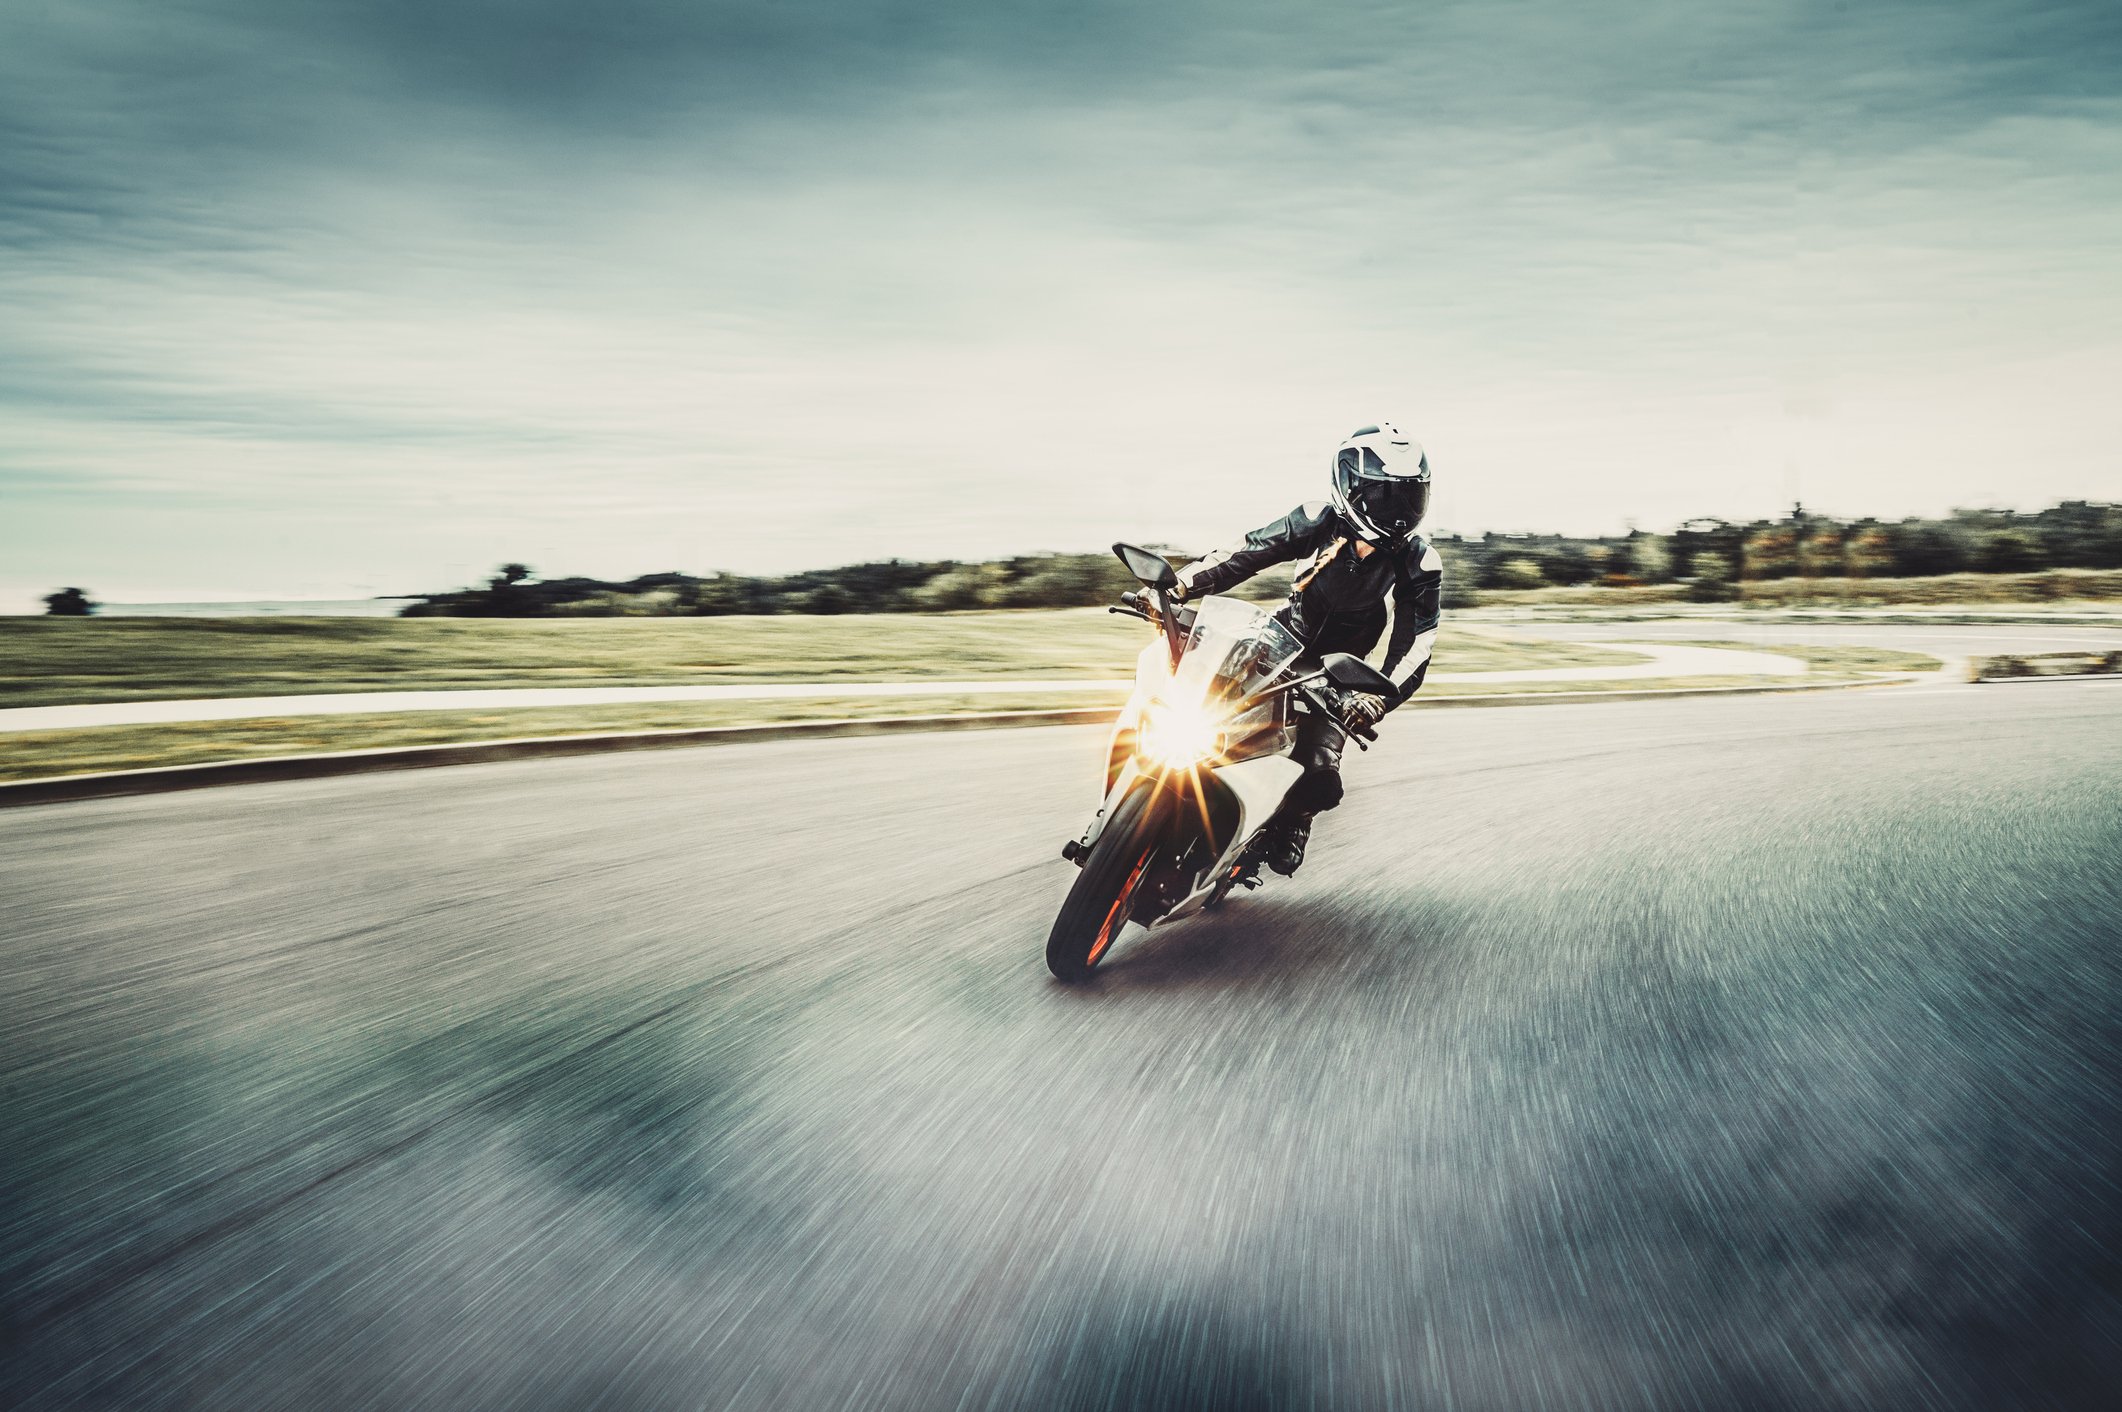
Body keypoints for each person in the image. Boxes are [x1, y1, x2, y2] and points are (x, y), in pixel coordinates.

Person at [1172, 422, 1443, 875]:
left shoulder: (1417, 559)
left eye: (1408, 497)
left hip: (1338, 672)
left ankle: (1294, 819)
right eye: (1386, 496)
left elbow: (1415, 644)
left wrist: (1378, 697)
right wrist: (1182, 585)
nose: (1398, 511)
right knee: (1192, 699)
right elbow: (1250, 551)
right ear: (1353, 488)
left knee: (1320, 773)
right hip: (1278, 640)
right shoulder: (1318, 520)